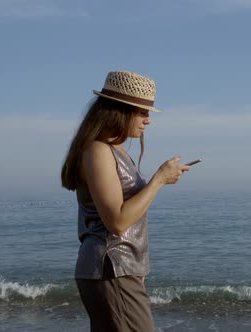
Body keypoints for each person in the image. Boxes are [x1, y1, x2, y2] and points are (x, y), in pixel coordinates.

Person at [61, 70, 190, 331]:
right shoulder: (97, 151)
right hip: (110, 267)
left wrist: (134, 270)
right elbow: (117, 222)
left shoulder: (113, 150)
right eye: (142, 112)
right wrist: (158, 180)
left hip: (117, 269)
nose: (147, 121)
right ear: (119, 111)